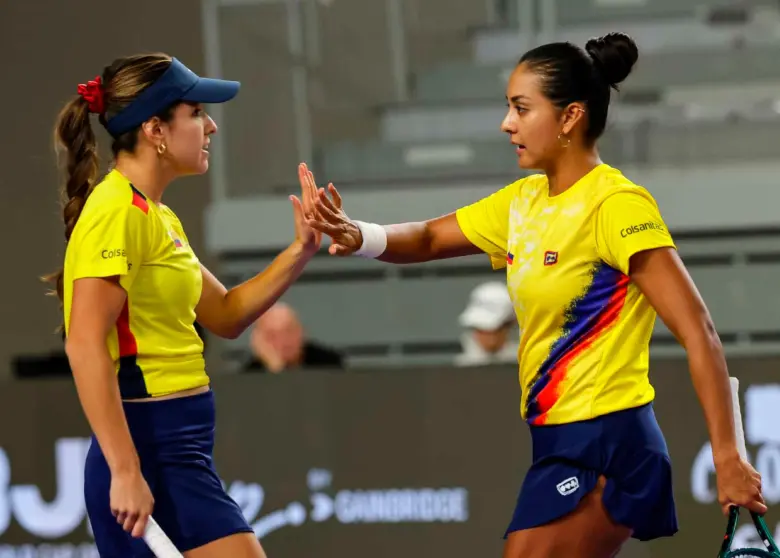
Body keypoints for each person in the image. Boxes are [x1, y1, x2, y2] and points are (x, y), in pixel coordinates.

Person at [298, 32, 767, 558]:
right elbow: (429, 237)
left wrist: (727, 455)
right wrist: (359, 234)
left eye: (522, 109)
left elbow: (698, 328)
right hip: (555, 439)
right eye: (508, 108)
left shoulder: (617, 206)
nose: (507, 124)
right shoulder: (522, 202)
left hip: (610, 442)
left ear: (570, 117)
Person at [45, 53, 323, 557]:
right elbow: (85, 345)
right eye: (196, 113)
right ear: (155, 129)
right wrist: (126, 471)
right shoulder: (116, 212)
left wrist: (300, 248)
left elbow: (227, 314)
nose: (211, 125)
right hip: (147, 451)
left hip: (182, 450)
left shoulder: (158, 217)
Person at [243, 302, 344, 373]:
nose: (283, 341)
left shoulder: (328, 364)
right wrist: (276, 367)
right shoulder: (251, 373)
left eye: (289, 331)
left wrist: (279, 370)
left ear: (302, 332)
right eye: (272, 336)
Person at [455, 281, 518, 367]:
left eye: (497, 329)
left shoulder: (528, 368)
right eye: (480, 329)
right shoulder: (460, 368)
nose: (489, 337)